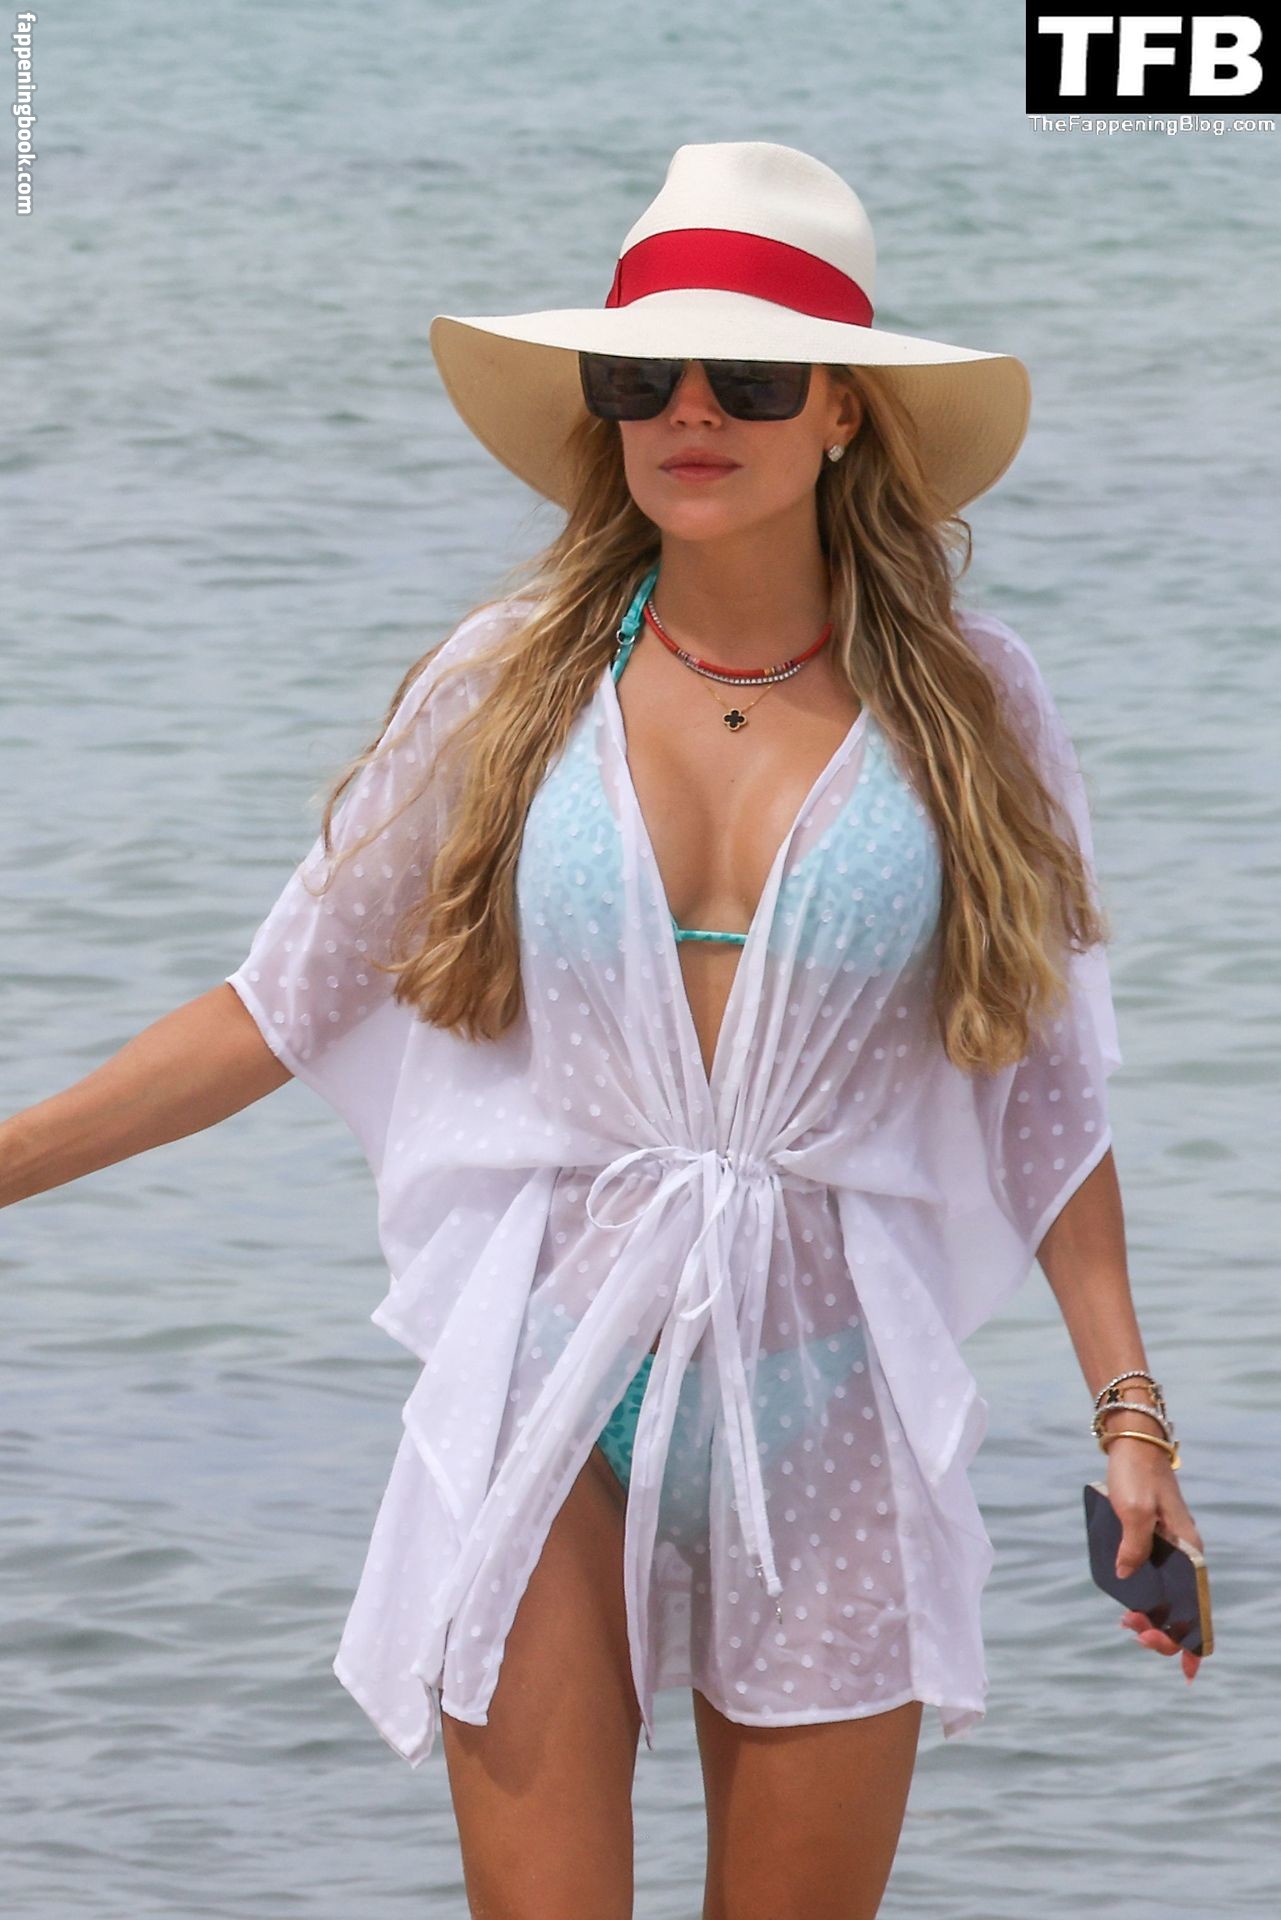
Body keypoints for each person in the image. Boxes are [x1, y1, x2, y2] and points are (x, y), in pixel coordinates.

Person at [2, 141, 1205, 1920]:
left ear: (846, 413)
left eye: (752, 377)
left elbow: (1044, 1094)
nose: (690, 411)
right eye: (644, 375)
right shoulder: (507, 682)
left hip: (832, 1385)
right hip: (550, 1364)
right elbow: (277, 1009)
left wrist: (1130, 1419)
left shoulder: (975, 702)